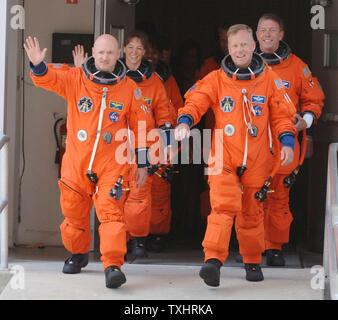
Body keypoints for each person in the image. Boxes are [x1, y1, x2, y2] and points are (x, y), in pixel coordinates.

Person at [24, 34, 154, 289]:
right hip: (77, 162)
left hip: (112, 164)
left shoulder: (129, 88)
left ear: (119, 55)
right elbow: (49, 79)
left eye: (110, 53)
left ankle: (113, 265)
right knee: (74, 213)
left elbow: (142, 127)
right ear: (94, 52)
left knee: (111, 214)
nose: (105, 57)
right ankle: (78, 253)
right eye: (101, 52)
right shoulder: (76, 79)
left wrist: (143, 163)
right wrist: (38, 65)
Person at [174, 24, 296, 286]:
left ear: (254, 46)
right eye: (234, 46)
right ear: (227, 49)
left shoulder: (270, 80)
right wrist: (185, 121)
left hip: (258, 158)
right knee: (222, 207)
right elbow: (196, 102)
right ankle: (213, 261)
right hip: (225, 156)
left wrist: (287, 141)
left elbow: (283, 117)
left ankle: (252, 260)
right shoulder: (217, 78)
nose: (240, 50)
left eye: (244, 44)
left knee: (252, 212)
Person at [255, 13, 325, 266]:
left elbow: (313, 99)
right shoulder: (245, 66)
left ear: (281, 34)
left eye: (272, 30)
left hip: (285, 142)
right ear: (256, 34)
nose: (267, 34)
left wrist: (306, 124)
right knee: (252, 195)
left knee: (278, 197)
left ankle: (274, 248)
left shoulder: (296, 67)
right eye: (262, 30)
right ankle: (253, 248)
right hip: (252, 143)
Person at [121, 31, 176, 258]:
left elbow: (165, 112)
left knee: (140, 197)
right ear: (123, 50)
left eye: (139, 49)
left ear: (145, 53)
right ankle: (120, 241)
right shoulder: (112, 76)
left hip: (145, 144)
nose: (134, 53)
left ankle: (139, 240)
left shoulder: (153, 81)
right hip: (116, 144)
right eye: (130, 47)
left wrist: (170, 142)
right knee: (117, 196)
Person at [145, 36, 184, 251]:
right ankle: (136, 236)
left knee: (160, 191)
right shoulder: (131, 76)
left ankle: (158, 235)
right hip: (138, 140)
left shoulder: (168, 79)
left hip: (164, 140)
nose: (151, 56)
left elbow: (179, 108)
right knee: (137, 190)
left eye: (154, 52)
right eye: (147, 51)